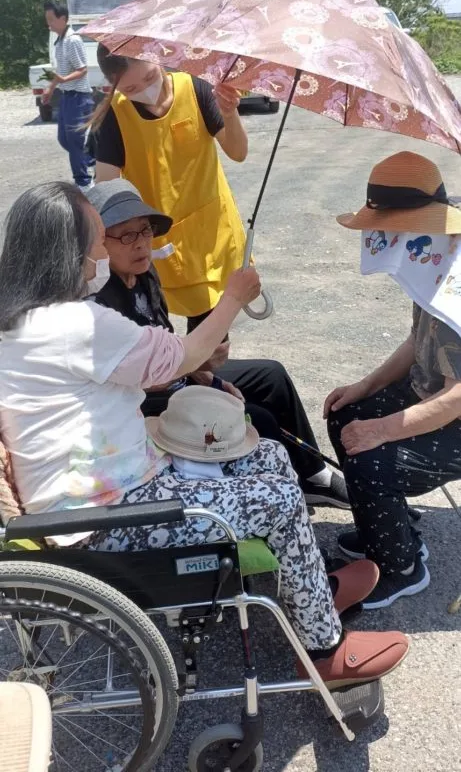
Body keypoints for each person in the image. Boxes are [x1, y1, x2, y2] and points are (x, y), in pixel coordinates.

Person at [0, 181, 408, 687]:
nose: (102, 253)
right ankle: (324, 650)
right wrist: (233, 298)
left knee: (269, 455)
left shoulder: (23, 322)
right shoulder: (73, 323)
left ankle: (309, 592)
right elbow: (181, 357)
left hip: (107, 491)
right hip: (106, 519)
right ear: (68, 251)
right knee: (281, 499)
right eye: (99, 240)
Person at [87, 178, 349, 509]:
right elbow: (138, 377)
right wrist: (224, 316)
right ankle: (269, 500)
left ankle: (313, 476)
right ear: (98, 242)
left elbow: (166, 338)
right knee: (255, 419)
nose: (140, 244)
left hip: (177, 371)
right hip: (143, 399)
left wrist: (207, 375)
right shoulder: (97, 298)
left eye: (145, 231)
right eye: (126, 235)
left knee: (271, 377)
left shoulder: (146, 273)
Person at [325, 151, 461, 609]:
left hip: (455, 411)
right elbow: (416, 340)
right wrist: (363, 388)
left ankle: (401, 566)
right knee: (345, 413)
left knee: (369, 458)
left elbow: (458, 395)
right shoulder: (437, 255)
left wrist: (382, 430)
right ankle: (387, 526)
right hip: (433, 394)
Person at [90, 46, 248, 325]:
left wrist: (229, 113)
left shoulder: (195, 89)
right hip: (160, 238)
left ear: (160, 60)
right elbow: (107, 190)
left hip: (213, 232)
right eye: (131, 88)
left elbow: (238, 152)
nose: (145, 91)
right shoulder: (115, 115)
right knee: (161, 327)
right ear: (114, 86)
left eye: (150, 77)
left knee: (212, 327)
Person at [42, 0, 95, 189]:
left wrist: (63, 80)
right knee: (64, 140)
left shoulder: (73, 40)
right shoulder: (60, 41)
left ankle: (84, 183)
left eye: (51, 19)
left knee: (74, 141)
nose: (48, 24)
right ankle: (93, 161)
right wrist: (51, 88)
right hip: (67, 96)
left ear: (63, 18)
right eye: (47, 19)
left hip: (79, 97)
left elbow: (82, 69)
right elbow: (60, 72)